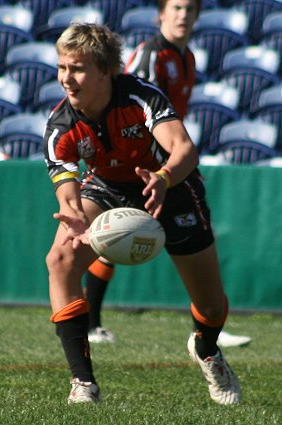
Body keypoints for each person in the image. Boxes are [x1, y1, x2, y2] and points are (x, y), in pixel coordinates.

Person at [44, 21, 241, 405]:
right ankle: (83, 383)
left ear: (106, 71)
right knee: (61, 258)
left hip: (173, 188)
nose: (67, 78)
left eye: (78, 68)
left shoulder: (140, 96)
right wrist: (73, 215)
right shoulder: (59, 126)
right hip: (108, 187)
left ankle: (207, 350)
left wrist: (165, 178)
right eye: (62, 67)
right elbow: (67, 192)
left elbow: (184, 149)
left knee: (212, 305)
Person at [85, 0, 252, 349]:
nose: (183, 15)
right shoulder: (151, 56)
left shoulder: (186, 57)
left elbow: (172, 124)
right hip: (138, 167)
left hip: (165, 167)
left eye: (190, 9)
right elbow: (130, 113)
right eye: (176, 7)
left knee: (191, 239)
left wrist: (180, 166)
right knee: (107, 237)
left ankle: (207, 330)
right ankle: (90, 325)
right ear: (161, 14)